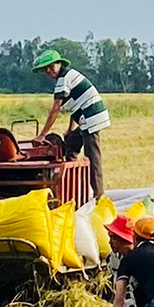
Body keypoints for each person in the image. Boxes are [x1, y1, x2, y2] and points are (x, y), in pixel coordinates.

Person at [32, 47, 111, 196]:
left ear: (60, 64)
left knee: (92, 157)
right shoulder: (68, 77)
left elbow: (55, 109)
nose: (49, 70)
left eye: (52, 66)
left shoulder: (64, 79)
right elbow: (74, 108)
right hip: (85, 117)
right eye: (45, 69)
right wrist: (70, 129)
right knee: (71, 141)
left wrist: (42, 135)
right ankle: (71, 182)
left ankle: (98, 195)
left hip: (91, 117)